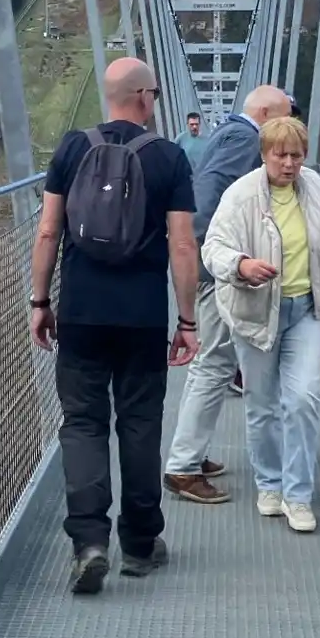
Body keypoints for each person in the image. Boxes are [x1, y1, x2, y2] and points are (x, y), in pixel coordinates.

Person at [29, 58, 200, 595]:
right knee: (140, 423)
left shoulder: (71, 149)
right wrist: (188, 319)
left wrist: (40, 301)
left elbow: (48, 232)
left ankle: (89, 543)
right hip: (142, 316)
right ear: (145, 97)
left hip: (80, 312)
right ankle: (141, 544)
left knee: (83, 423)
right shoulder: (169, 157)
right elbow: (182, 244)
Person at [202, 115, 320, 532]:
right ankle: (269, 483)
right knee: (262, 404)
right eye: (280, 155)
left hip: (306, 309)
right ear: (264, 154)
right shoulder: (240, 195)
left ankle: (298, 495)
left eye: (297, 156)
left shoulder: (315, 188)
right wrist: (241, 265)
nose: (289, 164)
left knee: (304, 398)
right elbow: (213, 248)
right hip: (255, 312)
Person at [163, 85, 292, 502]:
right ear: (266, 113)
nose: (289, 129)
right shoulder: (244, 139)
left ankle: (191, 454)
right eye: (285, 118)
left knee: (210, 363)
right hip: (216, 267)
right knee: (215, 363)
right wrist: (210, 255)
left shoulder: (227, 132)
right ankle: (183, 467)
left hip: (209, 262)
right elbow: (208, 196)